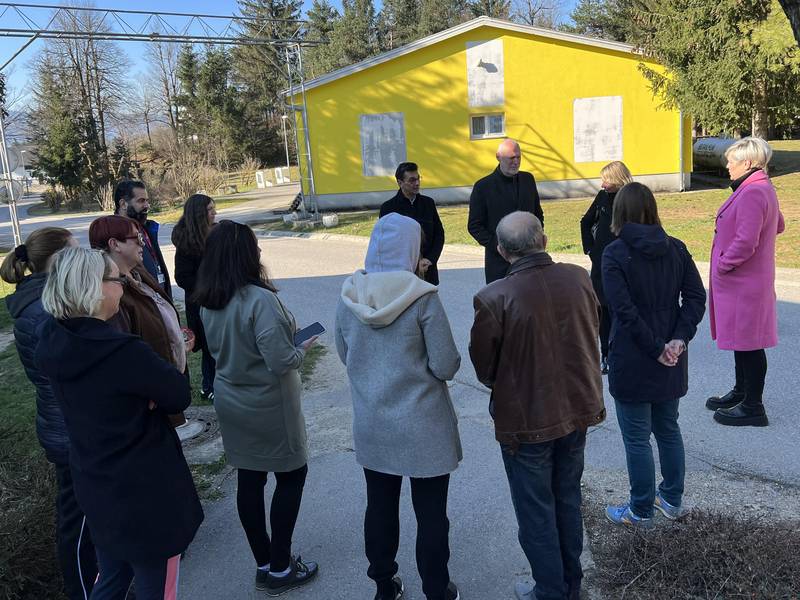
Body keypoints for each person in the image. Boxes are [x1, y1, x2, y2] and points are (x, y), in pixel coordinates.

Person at [35, 246, 203, 600]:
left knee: (110, 574)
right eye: (117, 279)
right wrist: (151, 393)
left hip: (96, 481)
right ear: (92, 288)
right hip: (145, 488)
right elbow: (177, 394)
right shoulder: (122, 352)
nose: (124, 286)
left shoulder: (52, 339)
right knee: (155, 581)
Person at [469, 211, 605, 600]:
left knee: (536, 512)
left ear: (501, 250)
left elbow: (484, 366)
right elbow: (592, 325)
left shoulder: (494, 297)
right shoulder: (578, 276)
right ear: (543, 241)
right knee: (566, 499)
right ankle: (569, 586)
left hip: (526, 420)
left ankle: (551, 590)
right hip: (577, 408)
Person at [335, 213, 462, 600]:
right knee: (431, 515)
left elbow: (345, 354)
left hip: (374, 422)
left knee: (380, 507)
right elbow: (446, 364)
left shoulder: (350, 295)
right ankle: (437, 589)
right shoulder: (422, 297)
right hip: (423, 424)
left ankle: (384, 585)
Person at [195, 220, 319, 597]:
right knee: (291, 475)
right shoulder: (259, 300)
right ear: (245, 255)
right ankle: (281, 566)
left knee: (250, 479)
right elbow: (281, 361)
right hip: (269, 403)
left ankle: (265, 561)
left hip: (232, 398)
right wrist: (303, 346)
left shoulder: (208, 298)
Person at [601, 183, 706, 527]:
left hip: (635, 357)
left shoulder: (614, 253)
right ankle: (671, 499)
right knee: (667, 428)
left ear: (619, 213)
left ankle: (641, 508)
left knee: (637, 437)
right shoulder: (676, 248)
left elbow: (623, 312)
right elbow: (695, 298)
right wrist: (677, 340)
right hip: (668, 356)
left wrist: (666, 345)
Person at [1, 228, 98, 600]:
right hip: (70, 428)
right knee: (78, 522)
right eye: (74, 252)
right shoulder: (43, 309)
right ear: (57, 260)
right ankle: (82, 591)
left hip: (65, 422)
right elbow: (68, 368)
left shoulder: (40, 301)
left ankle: (100, 586)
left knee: (87, 515)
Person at [706, 137, 785, 427]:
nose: (727, 165)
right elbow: (778, 224)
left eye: (732, 160)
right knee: (743, 339)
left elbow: (747, 241)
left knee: (750, 343)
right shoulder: (760, 187)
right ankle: (742, 393)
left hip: (744, 282)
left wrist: (724, 264)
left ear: (748, 163)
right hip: (747, 281)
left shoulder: (754, 191)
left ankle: (753, 406)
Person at [89, 215, 188, 427]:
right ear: (115, 244)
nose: (143, 244)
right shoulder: (113, 297)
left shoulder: (139, 272)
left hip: (166, 385)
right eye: (137, 239)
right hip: (150, 402)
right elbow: (124, 358)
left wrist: (176, 340)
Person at [579, 161, 634, 374]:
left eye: (606, 179)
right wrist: (590, 250)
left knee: (622, 307)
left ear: (618, 178)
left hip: (625, 264)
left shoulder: (631, 197)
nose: (602, 184)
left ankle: (625, 352)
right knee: (602, 311)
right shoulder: (602, 197)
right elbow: (585, 221)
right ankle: (606, 355)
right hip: (600, 263)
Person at [468, 139, 544, 283]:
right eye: (511, 158)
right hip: (499, 262)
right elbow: (474, 226)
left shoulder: (528, 180)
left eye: (518, 157)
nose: (516, 162)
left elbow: (537, 214)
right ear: (498, 157)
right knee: (501, 303)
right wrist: (499, 246)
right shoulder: (483, 186)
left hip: (530, 258)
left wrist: (536, 239)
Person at [172, 193, 218, 402]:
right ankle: (209, 386)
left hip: (220, 299)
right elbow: (182, 277)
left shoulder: (217, 232)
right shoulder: (186, 242)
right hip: (201, 303)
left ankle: (218, 384)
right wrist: (207, 287)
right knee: (209, 346)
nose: (214, 213)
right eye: (210, 210)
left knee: (220, 343)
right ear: (200, 214)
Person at [379, 162, 445, 285]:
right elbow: (385, 245)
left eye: (418, 178)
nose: (417, 183)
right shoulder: (388, 208)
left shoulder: (428, 204)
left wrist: (430, 259)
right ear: (400, 183)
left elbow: (439, 235)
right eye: (412, 180)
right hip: (401, 275)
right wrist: (410, 264)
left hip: (427, 271)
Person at [113, 180, 172, 299]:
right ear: (123, 204)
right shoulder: (113, 236)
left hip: (160, 300)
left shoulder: (147, 229)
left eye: (147, 201)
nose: (147, 205)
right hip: (141, 304)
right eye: (141, 201)